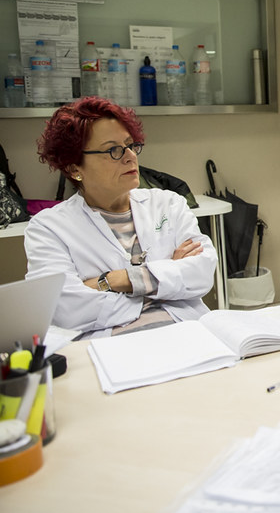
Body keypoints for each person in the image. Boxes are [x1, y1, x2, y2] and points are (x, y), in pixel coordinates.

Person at [24, 97, 217, 339]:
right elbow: (64, 308)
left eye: (130, 145)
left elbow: (201, 273)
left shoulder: (168, 203)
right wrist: (163, 281)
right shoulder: (48, 228)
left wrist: (116, 280)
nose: (130, 157)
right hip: (111, 345)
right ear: (75, 169)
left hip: (186, 332)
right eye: (113, 150)